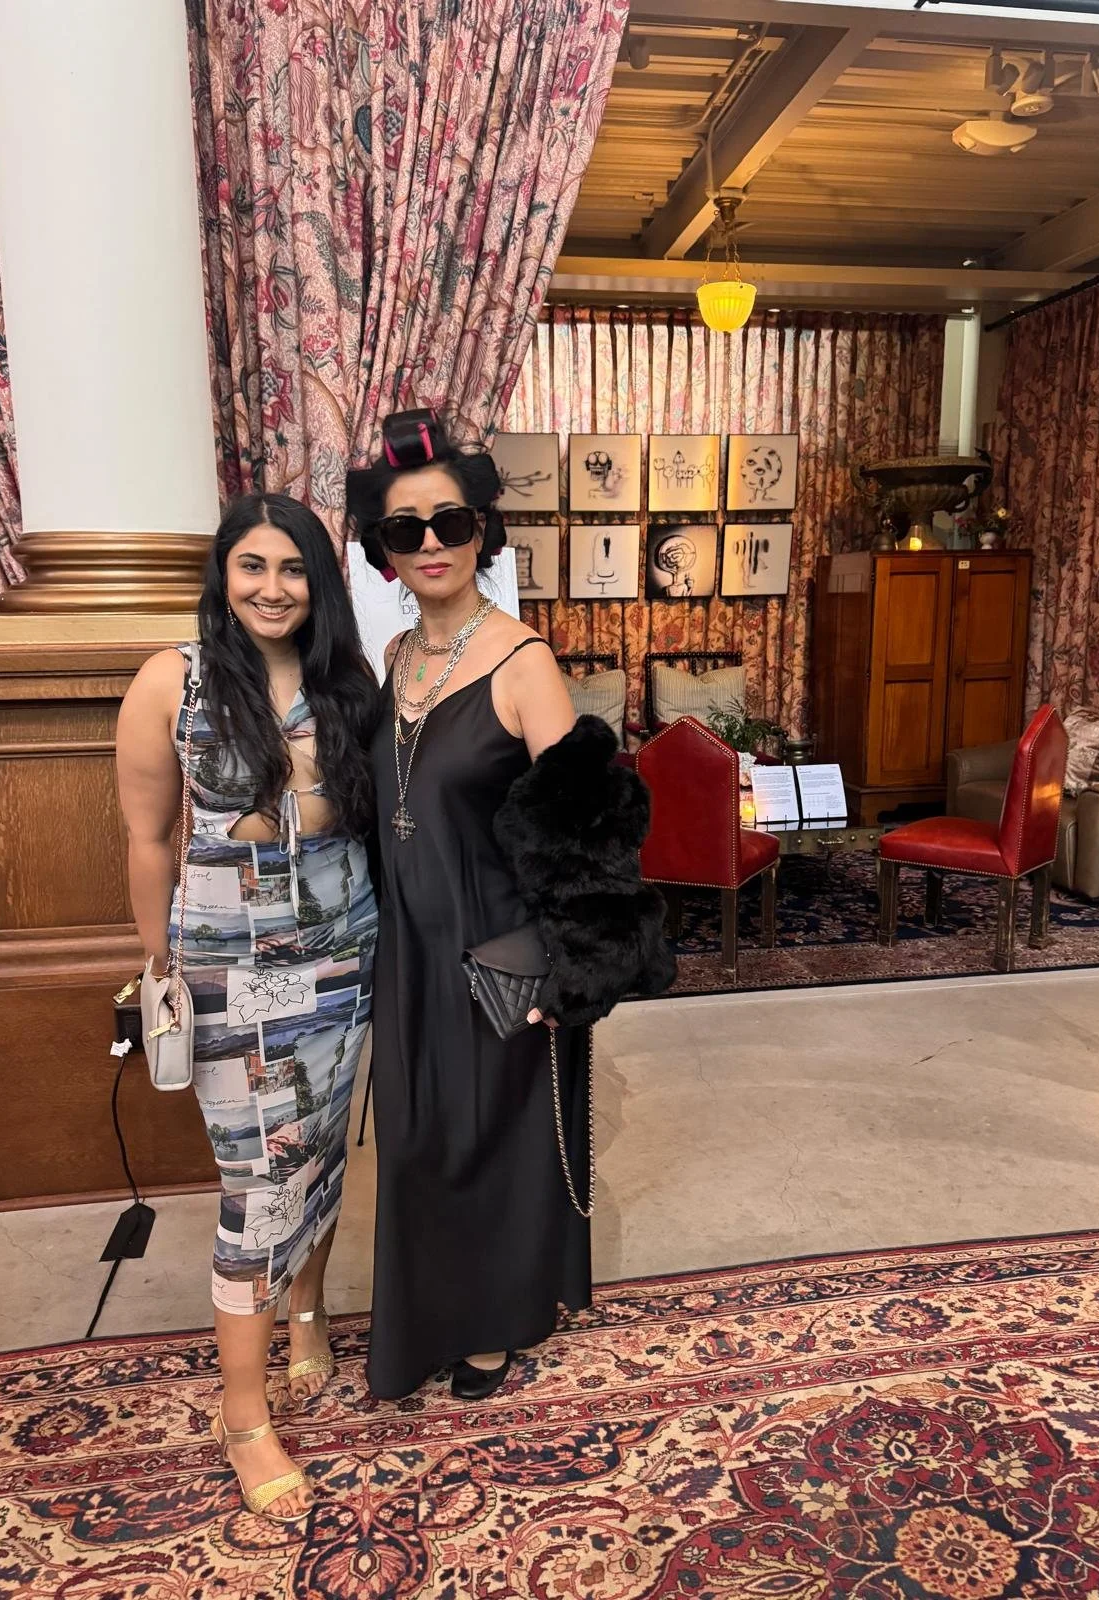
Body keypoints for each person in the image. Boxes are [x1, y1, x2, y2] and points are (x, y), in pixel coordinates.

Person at [347, 410, 674, 1402]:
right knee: (417, 1140)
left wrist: (566, 963)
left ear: (482, 530)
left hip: (495, 952)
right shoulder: (394, 659)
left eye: (450, 522)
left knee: (486, 1139)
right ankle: (431, 1314)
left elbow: (590, 828)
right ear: (384, 550)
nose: (431, 543)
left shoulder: (523, 661)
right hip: (408, 949)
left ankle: (489, 1323)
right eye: (406, 528)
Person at [115, 494, 380, 1522]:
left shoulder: (346, 683)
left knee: (321, 1149)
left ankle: (307, 1309)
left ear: (321, 582)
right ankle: (242, 1416)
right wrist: (160, 968)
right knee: (256, 1184)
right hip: (228, 975)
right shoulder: (172, 682)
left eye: (295, 568)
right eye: (253, 565)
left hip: (344, 959)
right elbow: (149, 839)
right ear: (223, 575)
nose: (273, 587)